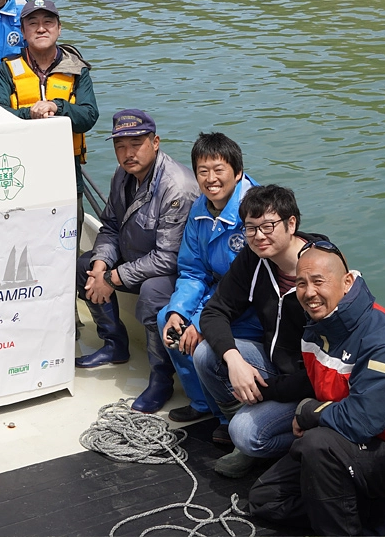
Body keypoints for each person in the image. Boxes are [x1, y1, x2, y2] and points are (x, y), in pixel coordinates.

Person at [247, 243, 385, 536]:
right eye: (301, 283)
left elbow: (363, 422)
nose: (308, 293)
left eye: (319, 281)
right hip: (341, 442)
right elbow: (316, 378)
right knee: (266, 500)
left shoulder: (383, 343)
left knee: (316, 444)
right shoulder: (319, 323)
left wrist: (309, 411)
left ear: (347, 283)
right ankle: (368, 513)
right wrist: (265, 388)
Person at [76, 109, 198, 414]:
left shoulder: (177, 187)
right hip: (134, 260)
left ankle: (161, 378)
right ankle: (114, 343)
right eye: (120, 146)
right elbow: (111, 227)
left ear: (155, 142)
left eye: (136, 144)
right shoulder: (123, 175)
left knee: (152, 296)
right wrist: (101, 266)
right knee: (83, 267)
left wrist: (112, 279)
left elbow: (168, 257)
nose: (128, 154)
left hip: (171, 271)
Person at [191, 185, 317, 478]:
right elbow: (214, 311)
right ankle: (243, 442)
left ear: (292, 224)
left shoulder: (319, 270)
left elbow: (328, 364)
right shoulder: (255, 257)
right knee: (206, 354)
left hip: (315, 383)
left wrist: (266, 390)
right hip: (276, 364)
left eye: (268, 226)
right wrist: (235, 361)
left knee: (247, 433)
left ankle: (304, 441)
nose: (259, 236)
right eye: (251, 228)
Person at [157, 133, 262, 424]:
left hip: (251, 304)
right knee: (167, 320)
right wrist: (181, 311)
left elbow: (250, 283)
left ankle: (229, 420)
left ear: (237, 172)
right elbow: (192, 270)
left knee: (204, 344)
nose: (211, 179)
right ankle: (203, 404)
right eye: (203, 171)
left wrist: (201, 319)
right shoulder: (199, 209)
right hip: (217, 294)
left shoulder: (255, 211)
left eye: (219, 170)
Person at [0, 0, 98, 210]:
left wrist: (58, 107)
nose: (41, 29)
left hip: (66, 172)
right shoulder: (7, 69)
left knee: (68, 236)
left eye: (48, 22)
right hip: (18, 169)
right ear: (22, 31)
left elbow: (89, 116)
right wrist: (30, 114)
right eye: (33, 23)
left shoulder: (77, 69)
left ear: (59, 29)